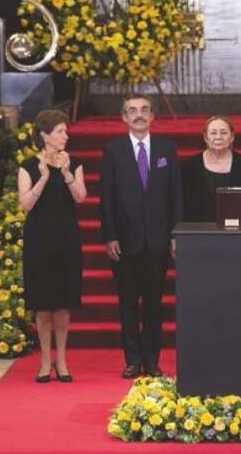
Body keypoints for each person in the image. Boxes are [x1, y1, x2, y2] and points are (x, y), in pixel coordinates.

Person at [99, 94, 183, 379]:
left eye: (144, 110)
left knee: (153, 305)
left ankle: (153, 361)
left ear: (152, 117)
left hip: (158, 242)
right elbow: (106, 199)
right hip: (124, 242)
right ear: (124, 117)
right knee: (127, 305)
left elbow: (176, 196)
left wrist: (175, 233)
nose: (139, 115)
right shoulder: (113, 151)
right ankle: (133, 361)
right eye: (132, 111)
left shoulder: (166, 149)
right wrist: (109, 236)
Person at [17, 109, 87, 383]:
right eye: (60, 131)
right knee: (43, 304)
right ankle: (45, 361)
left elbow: (81, 198)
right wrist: (44, 178)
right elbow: (26, 205)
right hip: (39, 239)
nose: (65, 135)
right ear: (45, 135)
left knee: (63, 305)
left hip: (67, 238)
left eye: (65, 131)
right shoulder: (27, 166)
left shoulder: (75, 163)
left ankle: (62, 360)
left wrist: (67, 173)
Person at [182, 115, 241, 222]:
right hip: (198, 230)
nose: (218, 137)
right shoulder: (190, 166)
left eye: (224, 132)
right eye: (213, 133)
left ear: (232, 137)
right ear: (205, 137)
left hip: (235, 232)